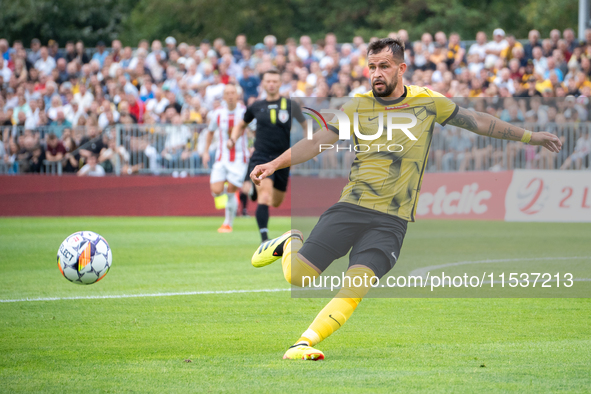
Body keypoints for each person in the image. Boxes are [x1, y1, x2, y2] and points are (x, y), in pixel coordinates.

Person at [248, 38, 563, 361]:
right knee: (298, 277)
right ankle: (289, 242)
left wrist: (531, 137)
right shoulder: (357, 106)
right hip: (350, 208)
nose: (376, 73)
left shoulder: (428, 102)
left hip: (392, 221)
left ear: (401, 68)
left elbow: (479, 121)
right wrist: (273, 164)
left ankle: (304, 342)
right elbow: (316, 143)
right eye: (371, 67)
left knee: (355, 286)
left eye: (383, 66)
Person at [229, 69, 306, 243]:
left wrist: (309, 144)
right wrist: (233, 139)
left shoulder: (290, 105)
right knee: (265, 197)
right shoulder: (256, 106)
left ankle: (253, 192)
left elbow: (304, 123)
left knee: (276, 201)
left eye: (275, 81)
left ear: (280, 83)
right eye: (268, 81)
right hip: (261, 156)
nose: (271, 84)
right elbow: (241, 123)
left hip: (283, 159)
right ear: (263, 84)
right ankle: (265, 239)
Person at [201, 84, 248, 232]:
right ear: (224, 96)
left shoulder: (245, 112)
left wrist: (253, 146)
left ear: (237, 95)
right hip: (222, 157)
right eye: (227, 93)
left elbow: (254, 131)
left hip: (240, 157)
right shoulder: (218, 113)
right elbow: (210, 132)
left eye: (233, 92)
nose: (230, 95)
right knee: (216, 190)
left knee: (231, 190)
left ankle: (228, 223)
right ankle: (231, 198)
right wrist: (205, 151)